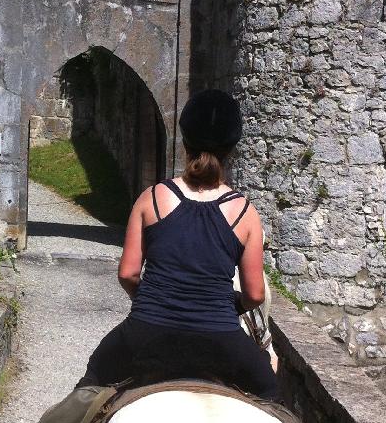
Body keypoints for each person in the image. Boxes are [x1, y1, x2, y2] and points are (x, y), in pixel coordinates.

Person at [77, 88, 279, 402]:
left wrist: (152, 301)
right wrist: (229, 306)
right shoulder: (245, 212)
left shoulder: (152, 198)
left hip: (148, 331)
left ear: (184, 143)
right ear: (232, 150)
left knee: (91, 383)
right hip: (221, 338)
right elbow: (255, 294)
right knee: (271, 393)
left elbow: (128, 273)